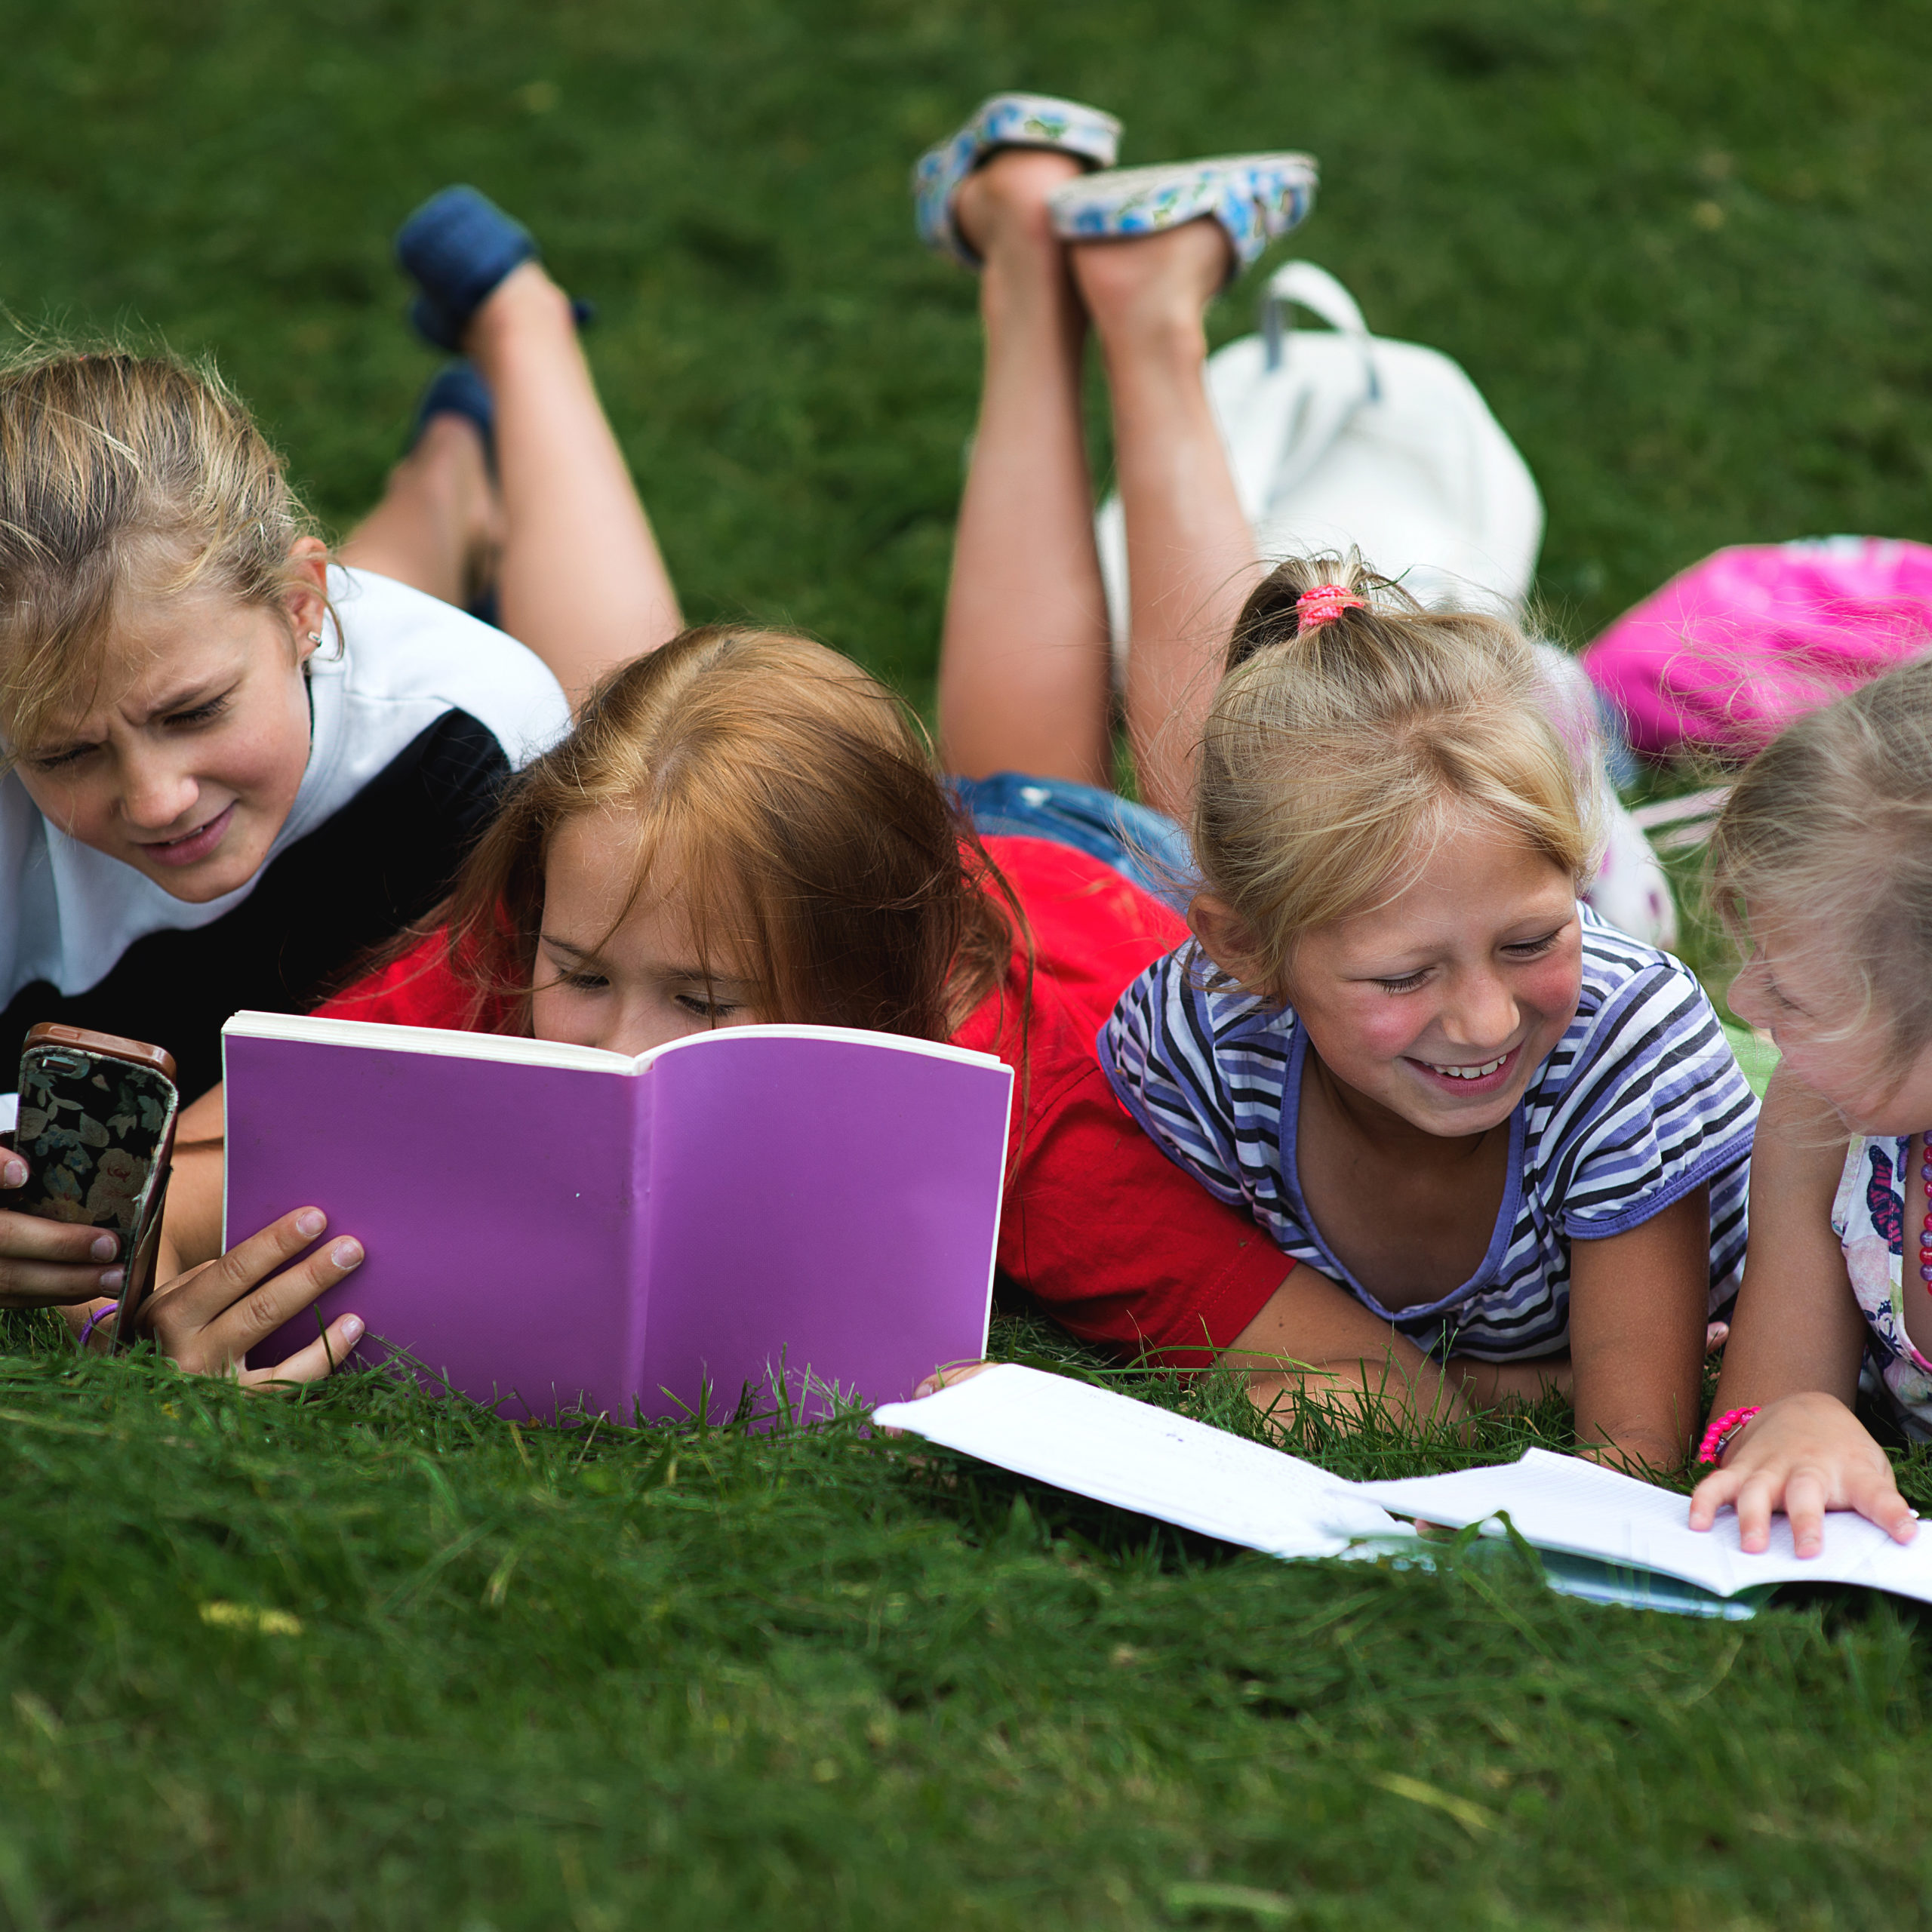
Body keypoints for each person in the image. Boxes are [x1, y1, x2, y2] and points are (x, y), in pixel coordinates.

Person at [0, 186, 683, 1327]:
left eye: (196, 712)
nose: (157, 798)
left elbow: (491, 1122)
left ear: (306, 603)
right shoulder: (125, 668)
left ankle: (522, 325)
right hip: (299, 653)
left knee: (652, 741)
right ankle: (445, 483)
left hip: (400, 694)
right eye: (66, 753)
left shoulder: (466, 737)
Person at [1097, 555, 1759, 1469]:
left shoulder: (1624, 1049)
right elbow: (1192, 1329)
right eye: (1405, 977)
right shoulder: (1196, 1045)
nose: (1486, 1023)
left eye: (1531, 940)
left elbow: (1632, 1450)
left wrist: (1439, 1402)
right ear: (1246, 949)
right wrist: (1494, 1388)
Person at [1686, 657, 1932, 1555]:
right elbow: (1762, 1398)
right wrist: (1793, 1423)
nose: (1744, 998)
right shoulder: (1821, 1115)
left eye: (1794, 996)